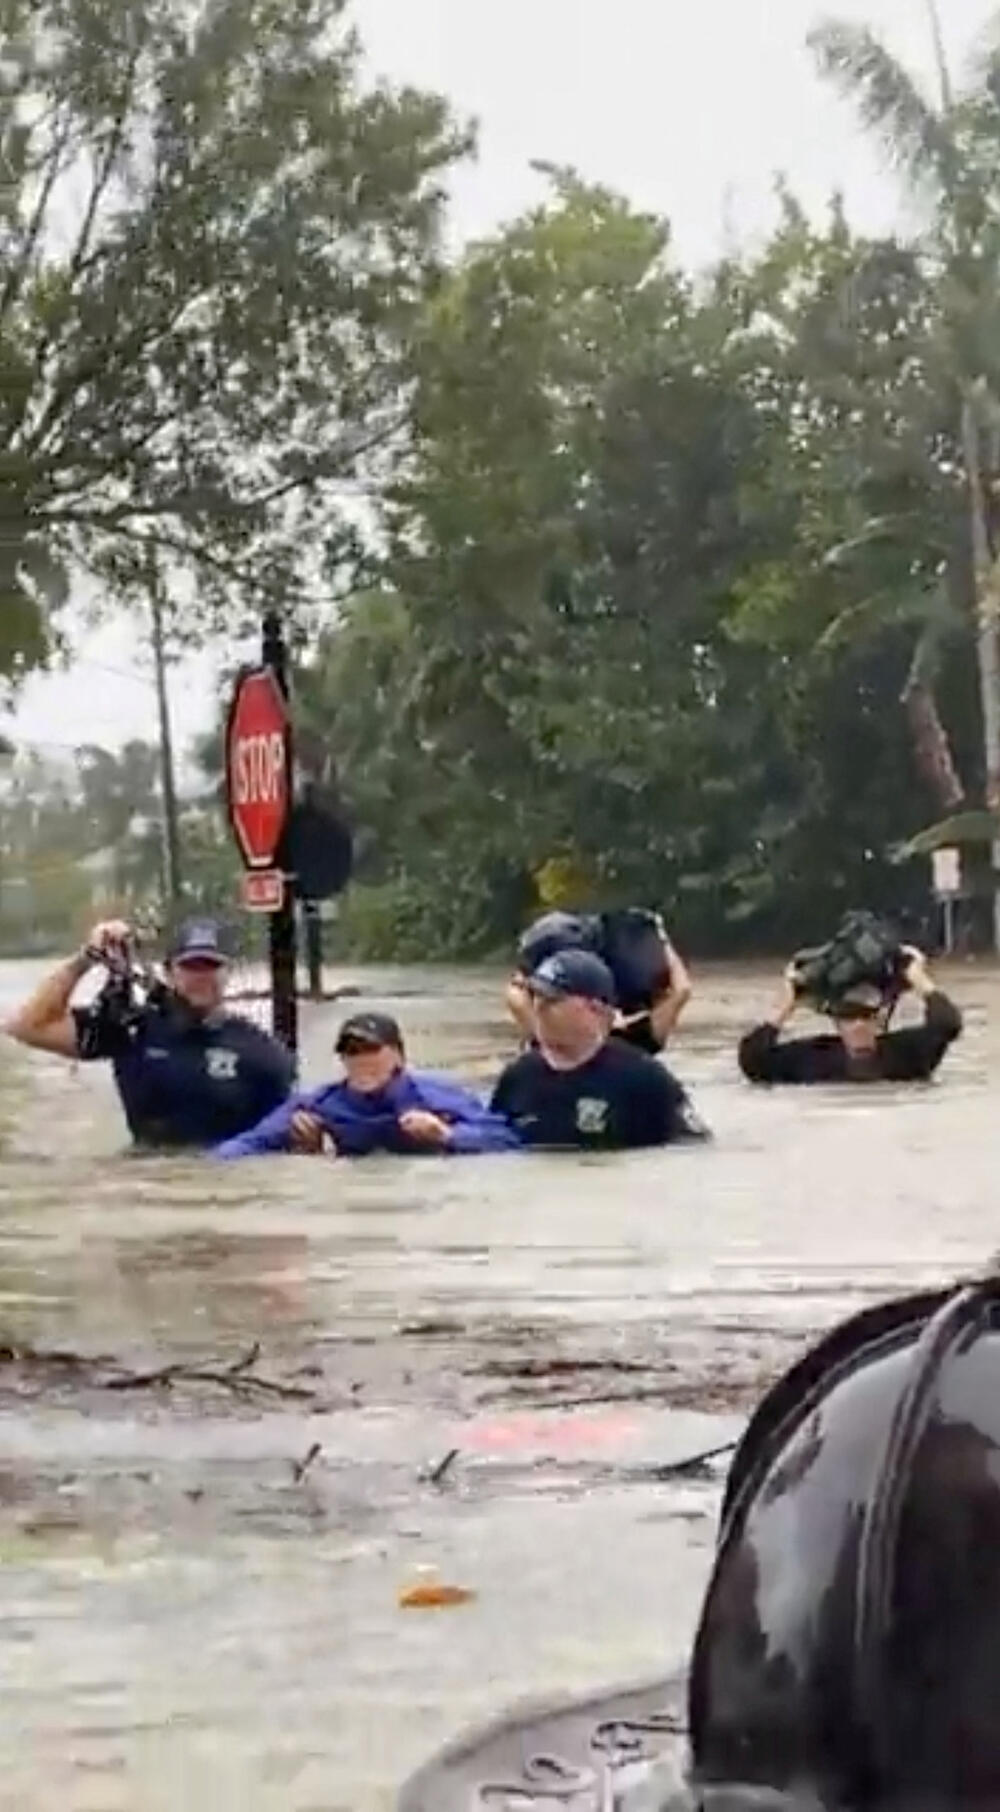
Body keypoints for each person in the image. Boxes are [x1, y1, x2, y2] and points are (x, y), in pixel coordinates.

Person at [3, 917, 294, 1150]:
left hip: (229, 1183)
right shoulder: (133, 1029)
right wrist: (86, 959)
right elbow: (28, 1026)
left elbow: (289, 1133)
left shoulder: (263, 1053)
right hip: (147, 1181)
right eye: (190, 966)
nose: (200, 976)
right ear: (168, 972)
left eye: (210, 966)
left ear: (228, 973)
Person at [215, 1010, 521, 1159]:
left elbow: (507, 1139)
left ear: (399, 1056)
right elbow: (246, 1145)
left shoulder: (434, 1096)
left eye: (371, 1050)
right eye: (351, 1052)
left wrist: (446, 1134)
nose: (361, 1060)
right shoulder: (322, 1104)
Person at [491, 949, 708, 1151]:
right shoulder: (518, 1077)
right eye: (535, 996)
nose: (538, 1007)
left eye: (552, 999)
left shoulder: (644, 1079)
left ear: (596, 1009)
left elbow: (691, 1151)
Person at [738, 944, 961, 1085]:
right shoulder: (815, 1058)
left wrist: (917, 978)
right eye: (849, 1018)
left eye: (866, 1017)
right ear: (836, 1023)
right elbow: (753, 1062)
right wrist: (790, 1001)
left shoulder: (906, 1055)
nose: (858, 1026)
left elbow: (947, 1024)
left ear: (881, 1019)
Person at [505, 912, 693, 1055]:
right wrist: (659, 937)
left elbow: (516, 995)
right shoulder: (637, 1039)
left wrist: (528, 966)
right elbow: (682, 990)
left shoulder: (549, 1039)